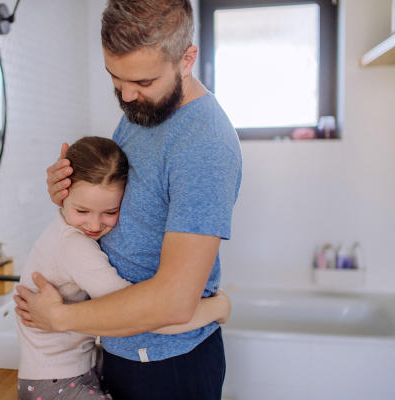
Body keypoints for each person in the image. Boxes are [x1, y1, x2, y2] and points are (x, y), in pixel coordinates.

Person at [15, 1, 242, 399]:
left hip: (168, 364)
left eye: (143, 82)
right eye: (114, 78)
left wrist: (61, 318)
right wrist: (70, 197)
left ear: (186, 59)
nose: (126, 94)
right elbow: (130, 207)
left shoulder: (204, 145)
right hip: (120, 348)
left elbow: (173, 303)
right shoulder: (144, 110)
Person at [16, 136, 232, 400]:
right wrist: (218, 308)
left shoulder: (63, 230)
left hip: (64, 374)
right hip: (55, 382)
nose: (94, 225)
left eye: (110, 211)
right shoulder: (75, 249)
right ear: (61, 195)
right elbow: (144, 315)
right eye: (82, 210)